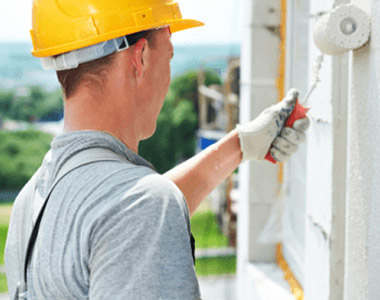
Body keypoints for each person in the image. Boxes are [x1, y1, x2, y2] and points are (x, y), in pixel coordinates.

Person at [5, 0, 310, 299]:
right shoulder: (141, 208)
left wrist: (240, 146)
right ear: (140, 58)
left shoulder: (31, 201)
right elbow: (135, 212)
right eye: (170, 55)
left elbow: (119, 220)